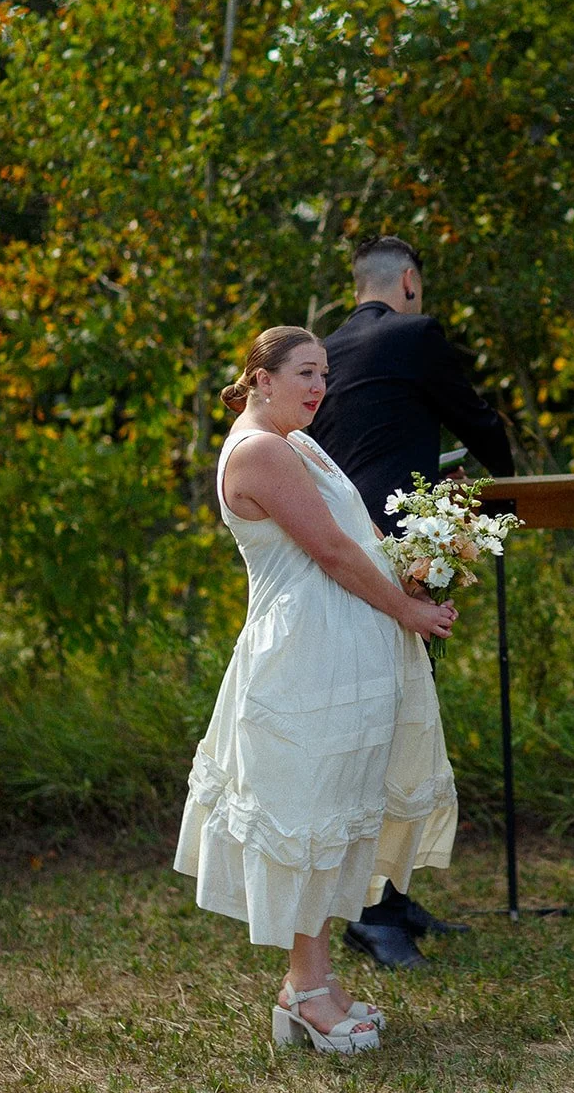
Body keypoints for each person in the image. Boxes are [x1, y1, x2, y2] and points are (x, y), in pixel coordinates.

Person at [174, 326, 459, 1055]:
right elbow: (329, 552)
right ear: (260, 378)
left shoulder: (297, 442)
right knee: (307, 820)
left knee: (333, 818)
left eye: (324, 375)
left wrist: (418, 566)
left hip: (343, 654)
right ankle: (304, 992)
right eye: (303, 373)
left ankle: (313, 983)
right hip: (303, 659)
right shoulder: (261, 449)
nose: (317, 388)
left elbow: (360, 533)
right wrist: (408, 611)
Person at [310, 236, 514, 968]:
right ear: (408, 283)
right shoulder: (414, 333)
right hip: (398, 563)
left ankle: (390, 894)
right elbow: (474, 416)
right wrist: (506, 477)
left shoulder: (320, 353)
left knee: (396, 725)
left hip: (332, 556)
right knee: (388, 734)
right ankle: (371, 912)